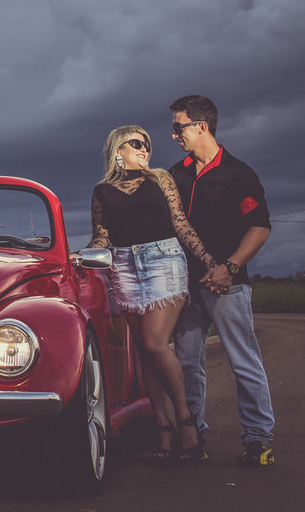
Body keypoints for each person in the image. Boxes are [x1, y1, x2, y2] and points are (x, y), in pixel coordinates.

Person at [85, 125, 217, 463]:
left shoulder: (159, 179)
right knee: (145, 350)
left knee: (156, 342)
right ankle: (163, 427)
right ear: (118, 149)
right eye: (136, 143)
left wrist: (209, 262)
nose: (144, 148)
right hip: (124, 267)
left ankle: (185, 420)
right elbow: (102, 236)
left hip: (164, 261)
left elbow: (180, 223)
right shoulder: (102, 190)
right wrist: (80, 256)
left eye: (147, 144)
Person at [168, 94, 275, 467]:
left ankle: (258, 440)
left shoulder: (237, 173)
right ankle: (193, 437)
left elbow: (259, 227)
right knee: (186, 363)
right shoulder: (176, 174)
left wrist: (228, 267)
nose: (173, 135)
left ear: (202, 127)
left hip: (227, 285)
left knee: (243, 361)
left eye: (178, 127)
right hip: (186, 287)